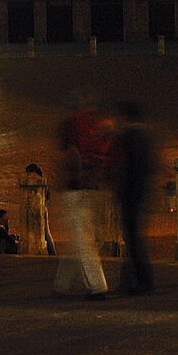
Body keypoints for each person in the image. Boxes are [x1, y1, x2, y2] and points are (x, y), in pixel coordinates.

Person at [52, 105, 112, 299]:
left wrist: (69, 179)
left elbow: (70, 153)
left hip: (77, 190)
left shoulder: (73, 124)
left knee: (83, 240)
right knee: (81, 238)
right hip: (95, 190)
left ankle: (98, 286)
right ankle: (61, 284)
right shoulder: (96, 127)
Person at [112, 101, 158, 296]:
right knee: (134, 238)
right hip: (141, 192)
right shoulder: (146, 137)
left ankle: (142, 280)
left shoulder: (128, 137)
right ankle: (132, 279)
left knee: (132, 238)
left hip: (131, 193)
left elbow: (125, 166)